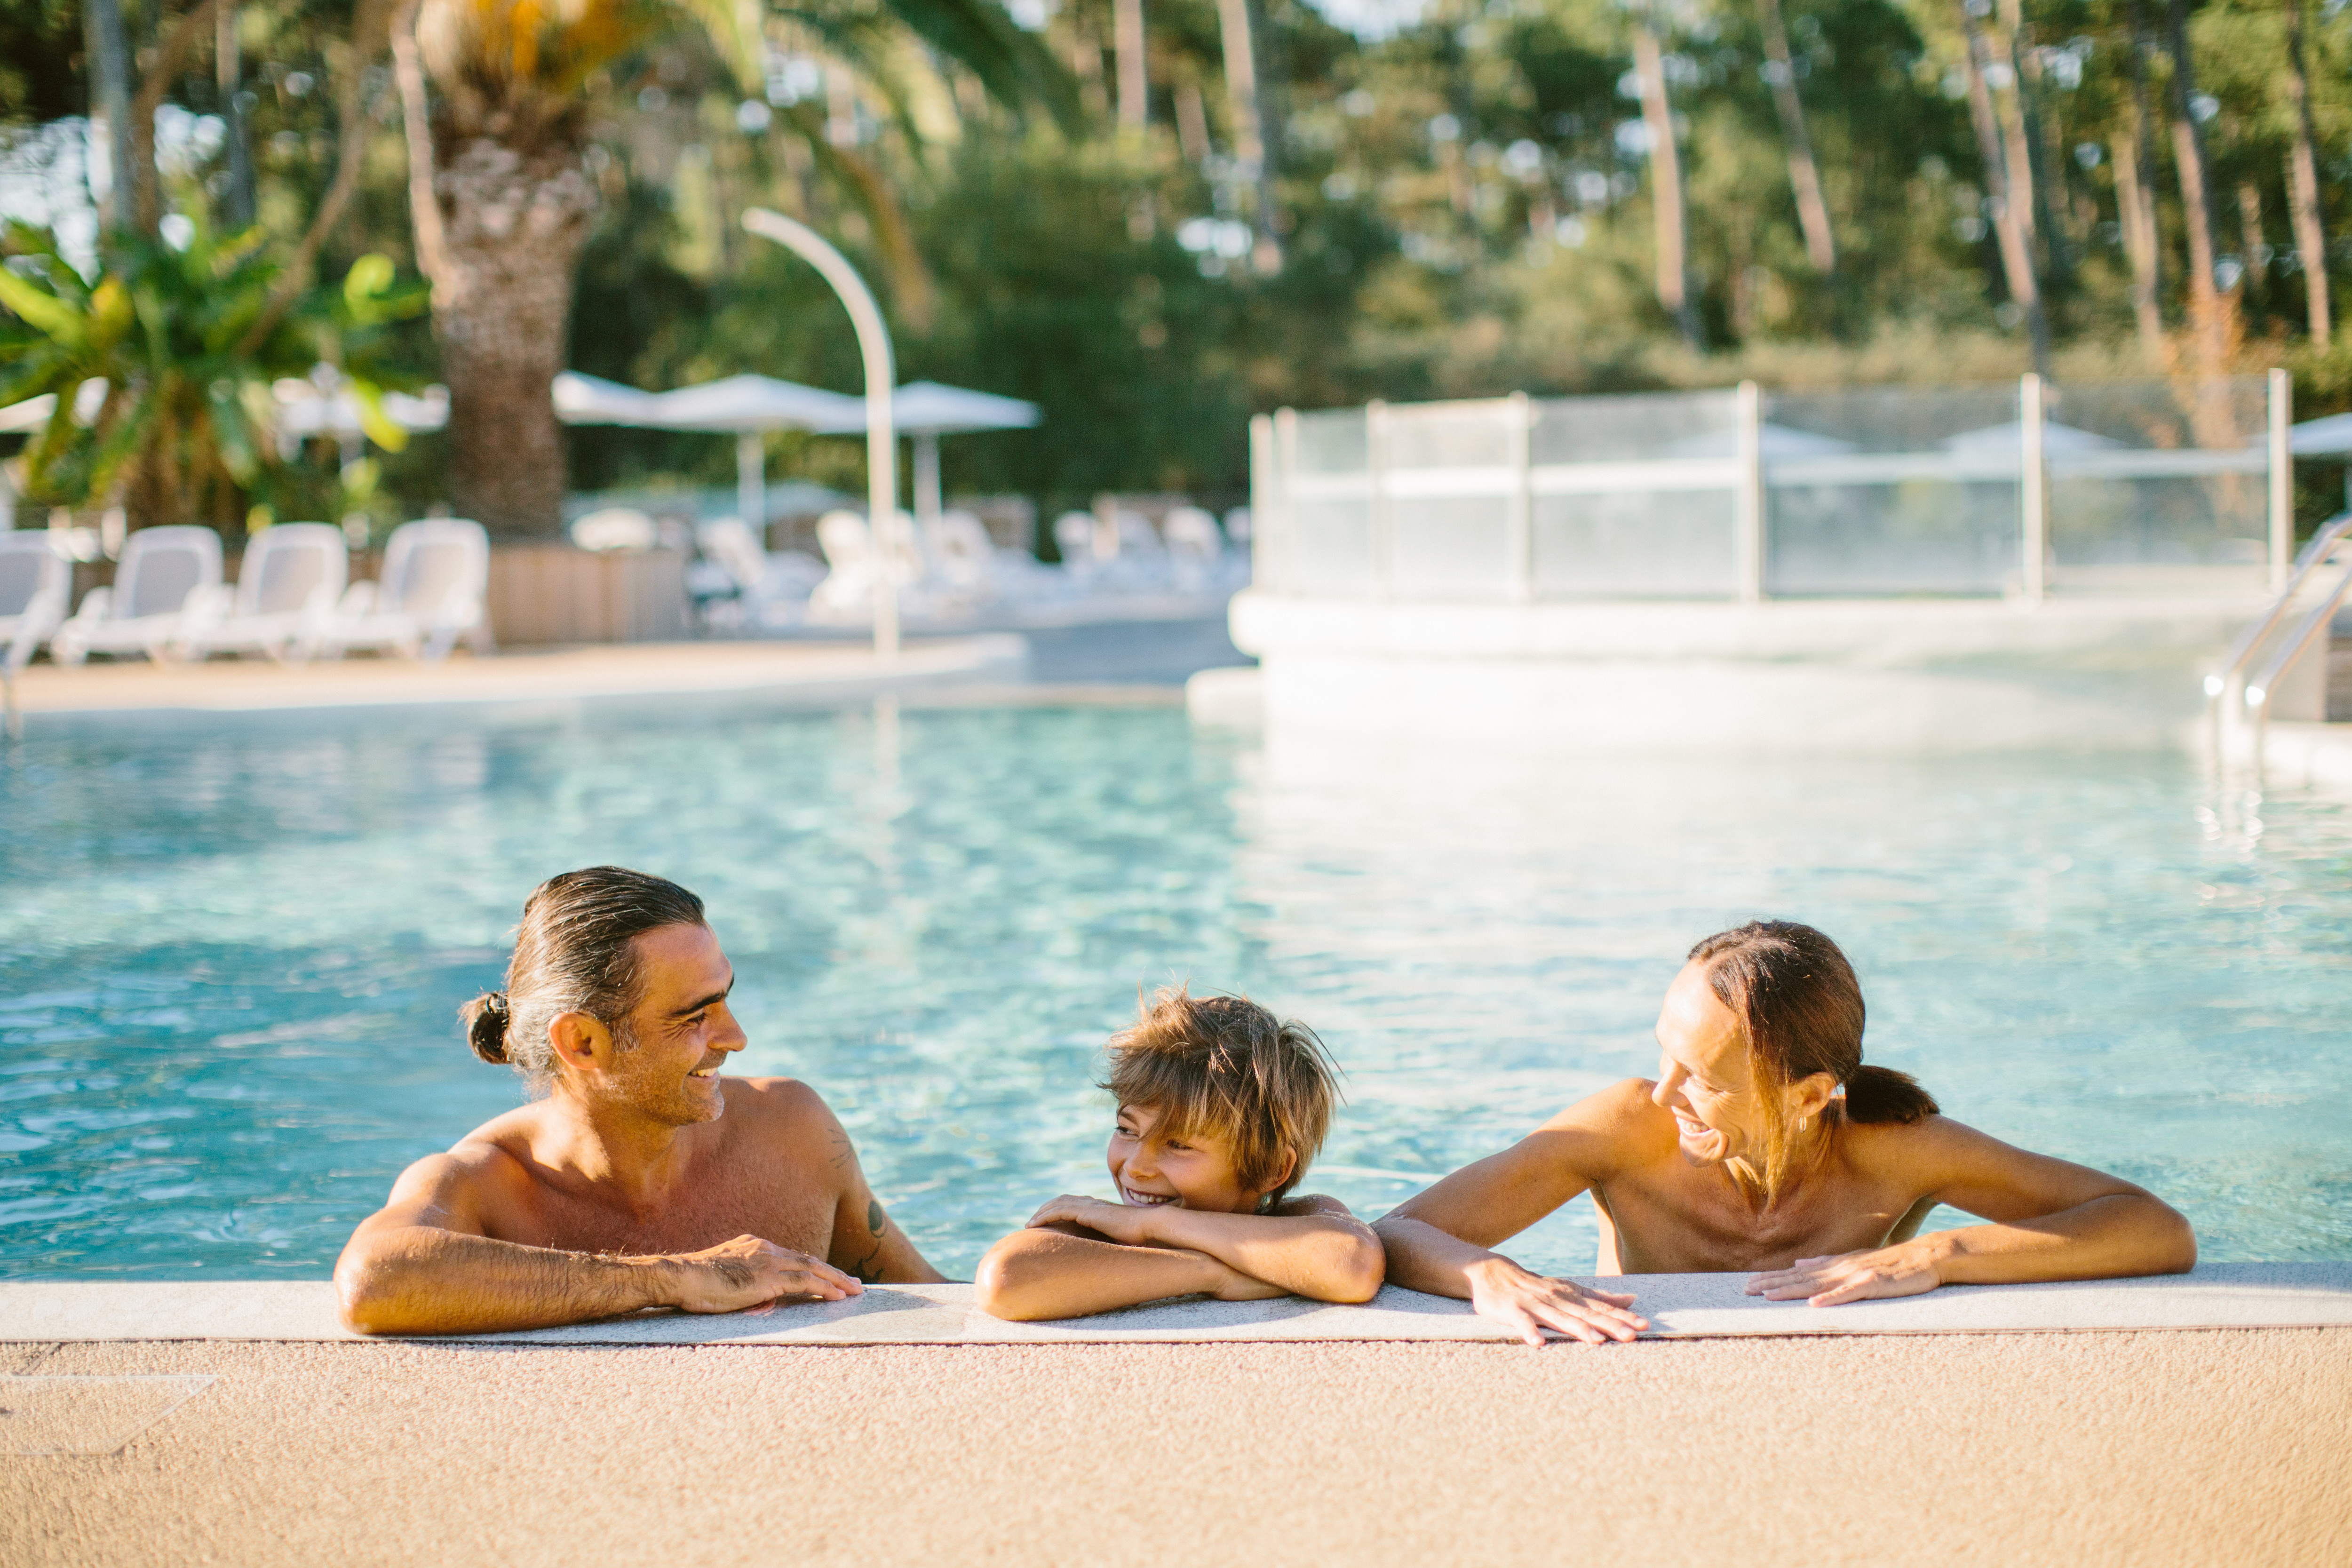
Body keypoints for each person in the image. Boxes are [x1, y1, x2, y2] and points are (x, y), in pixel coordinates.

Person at [1375, 920, 2196, 1346]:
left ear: (1809, 1096)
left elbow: (2154, 1227)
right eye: (1662, 1049)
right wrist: (1488, 1272)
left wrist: (1936, 1256)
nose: (1664, 1091)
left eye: (1699, 1074)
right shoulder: (1626, 1127)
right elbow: (1394, 1234)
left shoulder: (1894, 1150)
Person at [335, 866, 945, 1335]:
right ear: (583, 1041)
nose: (736, 1038)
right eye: (694, 1016)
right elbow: (375, 1281)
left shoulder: (793, 1129)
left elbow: (941, 1307)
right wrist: (678, 1277)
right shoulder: (487, 1186)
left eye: (726, 998)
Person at [975, 987, 1383, 1321]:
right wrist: (1212, 1274)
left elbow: (1353, 1263)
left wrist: (1158, 1222)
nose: (1135, 1166)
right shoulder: (1101, 1235)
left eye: (1179, 1144)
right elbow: (1006, 1279)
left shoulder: (1296, 1222)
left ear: (1272, 1170)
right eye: (1126, 1129)